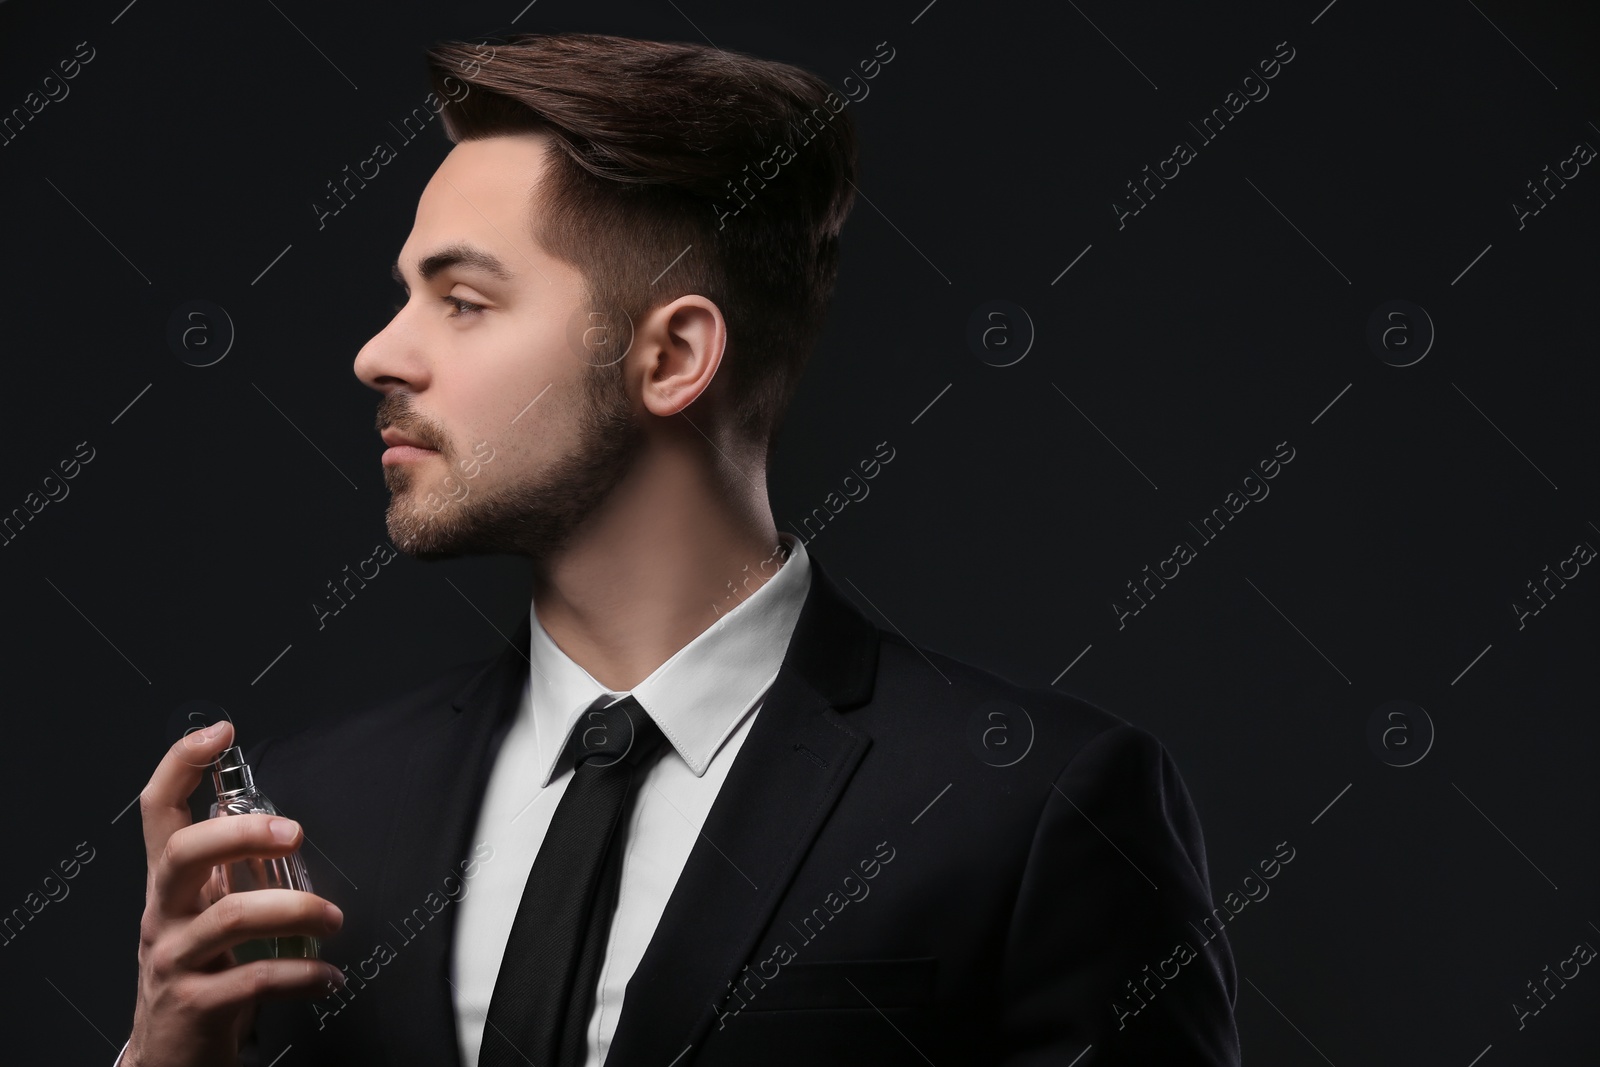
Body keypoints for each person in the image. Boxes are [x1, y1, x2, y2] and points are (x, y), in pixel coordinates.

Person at [120, 31, 1241, 1067]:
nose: (376, 353)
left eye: (461, 299)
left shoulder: (1031, 806)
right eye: (404, 294)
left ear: (672, 358)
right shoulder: (313, 814)